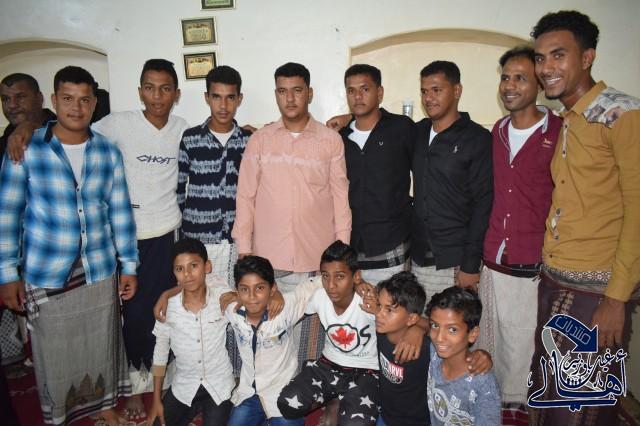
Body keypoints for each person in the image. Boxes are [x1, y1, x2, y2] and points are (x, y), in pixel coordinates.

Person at [5, 60, 189, 418]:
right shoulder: (115, 125)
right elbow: (67, 129)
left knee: (152, 316)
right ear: (139, 92)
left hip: (156, 237)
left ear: (176, 94)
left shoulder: (176, 131)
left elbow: (212, 132)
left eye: (165, 88)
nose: (157, 96)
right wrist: (26, 126)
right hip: (105, 246)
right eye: (149, 88)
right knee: (125, 319)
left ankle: (147, 387)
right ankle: (125, 390)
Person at [0, 66, 138, 426]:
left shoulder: (107, 151)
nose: (76, 108)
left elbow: (120, 211)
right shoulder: (27, 148)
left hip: (99, 265)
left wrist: (129, 265)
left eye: (84, 100)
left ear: (94, 103)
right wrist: (7, 274)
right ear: (54, 100)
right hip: (48, 268)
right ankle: (60, 414)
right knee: (56, 350)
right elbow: (7, 214)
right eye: (68, 99)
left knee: (100, 342)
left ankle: (103, 406)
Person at [528, 11, 640, 425]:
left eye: (558, 55)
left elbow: (638, 210)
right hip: (557, 281)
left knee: (579, 409)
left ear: (587, 57)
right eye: (540, 58)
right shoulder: (568, 120)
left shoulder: (622, 115)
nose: (546, 68)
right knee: (550, 399)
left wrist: (615, 300)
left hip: (596, 294)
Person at [232, 62, 351, 362]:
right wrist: (244, 248)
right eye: (283, 91)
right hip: (270, 259)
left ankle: (304, 386)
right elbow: (245, 196)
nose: (290, 98)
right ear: (276, 94)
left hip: (316, 257)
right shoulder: (260, 140)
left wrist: (342, 251)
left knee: (310, 341)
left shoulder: (330, 141)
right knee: (271, 338)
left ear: (309, 93)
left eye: (297, 90)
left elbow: (340, 198)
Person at [477, 46, 562, 408]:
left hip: (533, 265)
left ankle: (522, 411)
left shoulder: (560, 130)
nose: (510, 86)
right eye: (505, 78)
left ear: (539, 84)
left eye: (521, 78)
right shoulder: (497, 131)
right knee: (490, 349)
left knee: (524, 352)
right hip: (493, 261)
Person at [363, 271, 492, 426]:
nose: (379, 314)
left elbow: (455, 349)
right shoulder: (380, 331)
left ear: (412, 318)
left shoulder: (427, 349)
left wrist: (482, 355)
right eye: (379, 306)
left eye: (389, 309)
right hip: (385, 417)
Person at [411, 61, 493, 301]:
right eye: (424, 91)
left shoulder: (477, 138)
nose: (428, 98)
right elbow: (380, 123)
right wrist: (349, 118)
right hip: (416, 258)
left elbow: (483, 204)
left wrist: (470, 265)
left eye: (436, 90)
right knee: (418, 323)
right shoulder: (416, 132)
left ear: (457, 91)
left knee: (449, 325)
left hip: (455, 262)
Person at [338, 64, 415, 285]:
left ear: (379, 93)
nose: (357, 96)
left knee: (392, 305)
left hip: (392, 243)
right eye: (351, 91)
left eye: (365, 89)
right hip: (351, 246)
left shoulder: (401, 129)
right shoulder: (339, 137)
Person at [147, 238, 235, 426]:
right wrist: (156, 400)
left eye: (194, 266)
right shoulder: (168, 307)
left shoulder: (221, 295)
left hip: (219, 385)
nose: (187, 274)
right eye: (180, 269)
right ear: (174, 273)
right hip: (184, 386)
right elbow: (160, 352)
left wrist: (238, 296)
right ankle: (192, 407)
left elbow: (248, 301)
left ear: (207, 266)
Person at [226, 255, 322, 426]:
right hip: (250, 393)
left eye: (260, 288)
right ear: (238, 291)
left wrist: (357, 283)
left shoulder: (285, 309)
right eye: (245, 289)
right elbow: (214, 291)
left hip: (284, 391)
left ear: (272, 289)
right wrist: (231, 295)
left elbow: (315, 283)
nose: (252, 296)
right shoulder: (232, 311)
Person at [178, 65, 251, 287]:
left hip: (236, 241)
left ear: (239, 99)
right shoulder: (191, 138)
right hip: (197, 240)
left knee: (233, 298)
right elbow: (179, 189)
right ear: (207, 97)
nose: (223, 106)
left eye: (230, 98)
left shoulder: (249, 141)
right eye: (217, 97)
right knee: (198, 298)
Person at [426, 286, 501, 425]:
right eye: (435, 326)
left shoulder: (483, 384)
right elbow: (414, 322)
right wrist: (413, 332)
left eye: (452, 329)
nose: (439, 338)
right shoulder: (434, 352)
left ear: (473, 334)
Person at [0, 73, 55, 161]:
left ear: (39, 98)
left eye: (20, 97)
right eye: (6, 99)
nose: (12, 105)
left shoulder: (69, 131)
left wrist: (36, 128)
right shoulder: (2, 145)